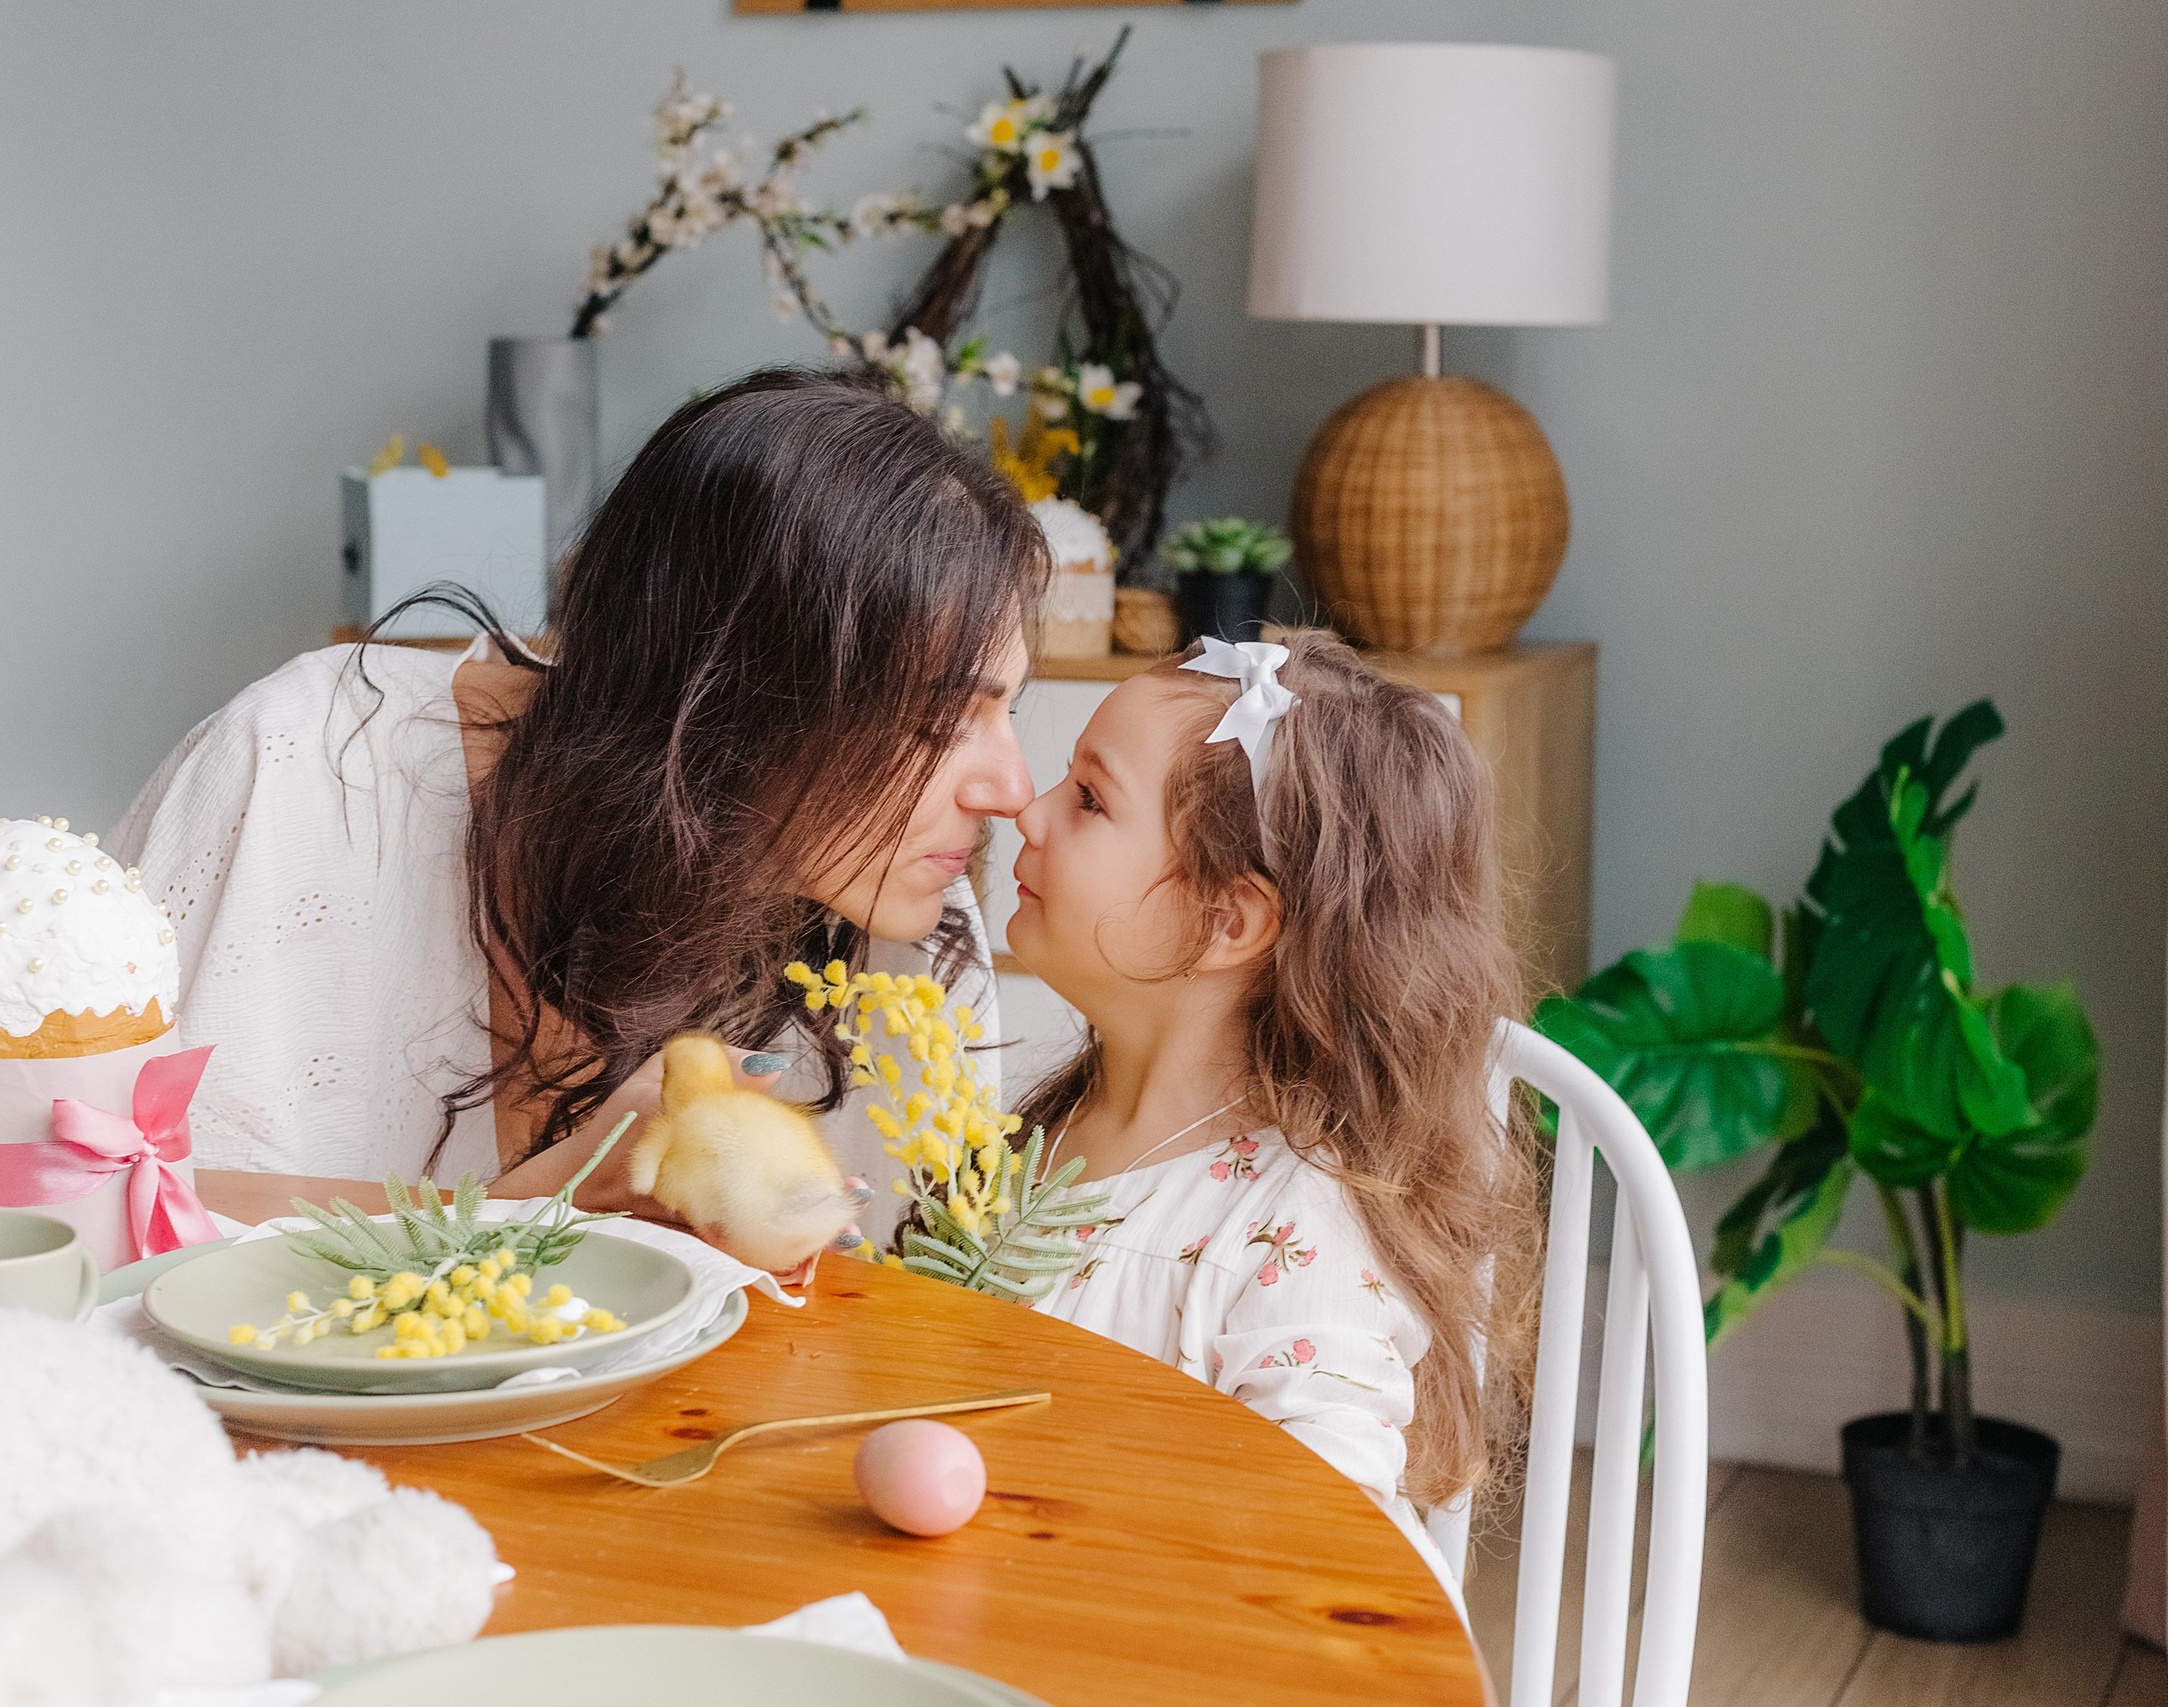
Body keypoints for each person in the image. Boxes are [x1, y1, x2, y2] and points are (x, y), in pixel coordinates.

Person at [109, 369, 1041, 1251]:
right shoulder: (299, 763)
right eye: (934, 723)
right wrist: (528, 1212)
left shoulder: (901, 941)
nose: (1012, 789)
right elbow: (75, 1210)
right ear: (732, 696)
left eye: (1009, 710)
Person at [1005, 628, 1542, 1584]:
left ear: (1227, 921)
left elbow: (1326, 1554)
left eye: (1089, 797)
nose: (1027, 810)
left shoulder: (1295, 1241)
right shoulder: (1048, 1131)